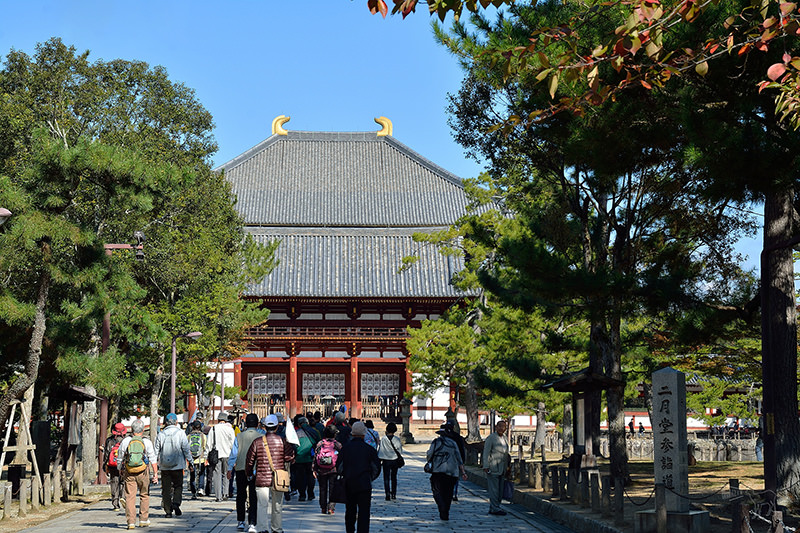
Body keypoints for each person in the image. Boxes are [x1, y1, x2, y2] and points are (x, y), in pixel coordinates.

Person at [246, 415, 296, 533]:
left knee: (262, 505)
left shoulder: (257, 442)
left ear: (264, 426)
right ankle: (277, 528)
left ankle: (263, 528)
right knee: (277, 505)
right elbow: (289, 458)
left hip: (261, 477)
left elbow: (249, 461)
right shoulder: (282, 441)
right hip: (278, 477)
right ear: (277, 426)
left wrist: (249, 474)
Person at [338, 421, 381, 533]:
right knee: (364, 512)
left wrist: (346, 474)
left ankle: (350, 531)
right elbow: (376, 468)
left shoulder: (345, 448)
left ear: (352, 433)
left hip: (349, 483)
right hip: (364, 483)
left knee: (350, 510)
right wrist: (369, 477)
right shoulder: (369, 449)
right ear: (364, 434)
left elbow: (339, 467)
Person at [118, 419, 158, 529]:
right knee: (144, 495)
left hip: (129, 471)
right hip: (143, 471)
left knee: (130, 496)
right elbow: (153, 459)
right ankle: (143, 520)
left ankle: (131, 522)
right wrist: (155, 473)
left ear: (131, 429)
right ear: (143, 430)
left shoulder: (126, 441)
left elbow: (120, 457)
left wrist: (120, 469)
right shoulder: (146, 442)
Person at [228, 413, 264, 533]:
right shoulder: (261, 436)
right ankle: (252, 522)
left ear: (246, 424)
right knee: (253, 496)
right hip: (256, 469)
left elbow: (234, 453)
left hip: (241, 468)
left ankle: (240, 521)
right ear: (257, 423)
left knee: (241, 495)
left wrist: (229, 468)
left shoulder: (239, 436)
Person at [155, 412, 193, 518]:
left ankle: (168, 510)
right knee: (178, 486)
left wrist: (155, 464)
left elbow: (156, 450)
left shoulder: (161, 434)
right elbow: (186, 449)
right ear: (176, 422)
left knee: (166, 489)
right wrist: (190, 461)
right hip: (178, 465)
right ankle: (176, 503)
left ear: (166, 422)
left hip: (164, 466)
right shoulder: (180, 433)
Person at [427, 422, 467, 521]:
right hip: (452, 471)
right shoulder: (453, 443)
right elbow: (459, 458)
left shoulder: (436, 442)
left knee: (437, 491)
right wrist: (463, 472)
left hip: (438, 470)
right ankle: (446, 511)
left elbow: (429, 455)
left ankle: (441, 507)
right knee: (448, 493)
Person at [206, 411, 236, 501]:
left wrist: (206, 454)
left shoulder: (214, 429)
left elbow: (209, 443)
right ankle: (225, 493)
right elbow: (233, 443)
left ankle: (218, 496)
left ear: (218, 420)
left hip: (216, 454)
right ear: (226, 420)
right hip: (227, 454)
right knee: (226, 473)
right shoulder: (230, 429)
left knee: (217, 474)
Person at [482, 420, 510, 516]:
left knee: (500, 490)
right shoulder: (491, 438)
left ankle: (494, 506)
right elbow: (486, 452)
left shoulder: (505, 438)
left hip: (503, 467)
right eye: (500, 426)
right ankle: (495, 508)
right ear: (496, 427)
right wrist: (486, 465)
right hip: (493, 466)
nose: (502, 428)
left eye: (504, 426)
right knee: (494, 489)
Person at [313, 425, 342, 515]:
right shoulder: (337, 444)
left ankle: (323, 507)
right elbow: (342, 457)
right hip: (333, 470)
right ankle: (331, 508)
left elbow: (315, 456)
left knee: (322, 489)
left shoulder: (320, 443)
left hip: (321, 469)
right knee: (333, 489)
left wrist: (314, 469)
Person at [439, 420, 466, 502]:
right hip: (454, 461)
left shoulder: (442, 438)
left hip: (443, 461)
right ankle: (453, 493)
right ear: (454, 427)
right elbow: (461, 450)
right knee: (455, 477)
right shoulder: (457, 437)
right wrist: (462, 462)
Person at [103, 422, 127, 510]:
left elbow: (106, 454)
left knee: (114, 482)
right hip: (124, 465)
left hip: (113, 465)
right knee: (123, 482)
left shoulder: (109, 440)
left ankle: (115, 504)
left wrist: (105, 466)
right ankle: (123, 497)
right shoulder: (126, 440)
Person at [292, 416, 317, 501]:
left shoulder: (296, 433)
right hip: (310, 458)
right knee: (310, 476)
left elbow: (293, 446)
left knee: (300, 477)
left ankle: (302, 495)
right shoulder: (314, 432)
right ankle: (310, 494)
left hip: (299, 459)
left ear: (299, 425)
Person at [377, 422, 403, 501]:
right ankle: (394, 493)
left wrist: (379, 458)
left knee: (386, 477)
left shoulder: (384, 439)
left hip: (386, 460)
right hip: (394, 460)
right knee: (394, 477)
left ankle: (387, 494)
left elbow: (381, 449)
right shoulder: (397, 439)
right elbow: (399, 450)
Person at [187, 420, 206, 500]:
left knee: (192, 475)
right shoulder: (203, 436)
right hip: (201, 458)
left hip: (191, 459)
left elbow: (186, 448)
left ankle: (193, 492)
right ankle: (201, 488)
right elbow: (204, 447)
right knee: (201, 474)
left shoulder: (188, 436)